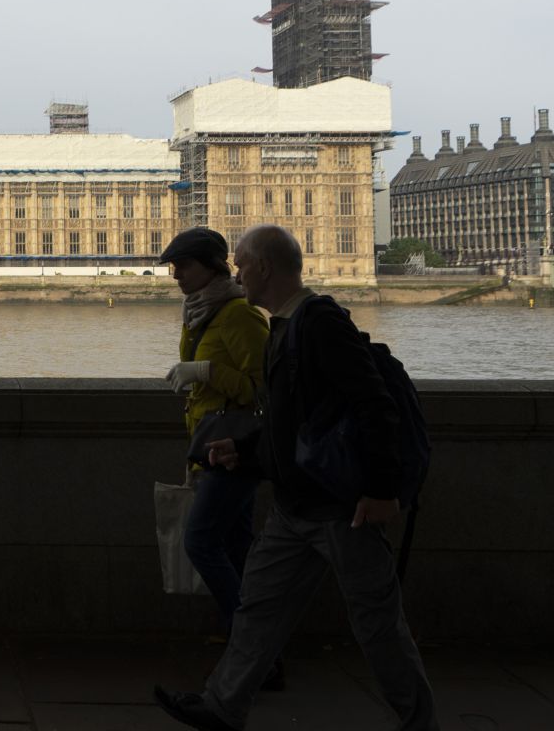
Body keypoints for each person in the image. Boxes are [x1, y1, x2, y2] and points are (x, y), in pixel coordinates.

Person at [154, 224, 438, 731]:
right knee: (259, 612)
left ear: (264, 267)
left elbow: (372, 405)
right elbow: (293, 424)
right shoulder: (281, 326)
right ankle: (223, 706)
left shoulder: (320, 322)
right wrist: (244, 449)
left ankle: (420, 723)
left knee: (378, 625)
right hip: (294, 507)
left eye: (240, 264)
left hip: (337, 509)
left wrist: (379, 489)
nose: (235, 272)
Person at [158, 227, 268, 646]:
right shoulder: (200, 311)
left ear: (211, 266)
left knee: (200, 542)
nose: (175, 275)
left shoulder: (238, 314)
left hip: (235, 450)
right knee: (237, 548)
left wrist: (205, 372)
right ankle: (253, 651)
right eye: (173, 266)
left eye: (183, 266)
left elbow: (264, 390)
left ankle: (250, 643)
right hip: (211, 443)